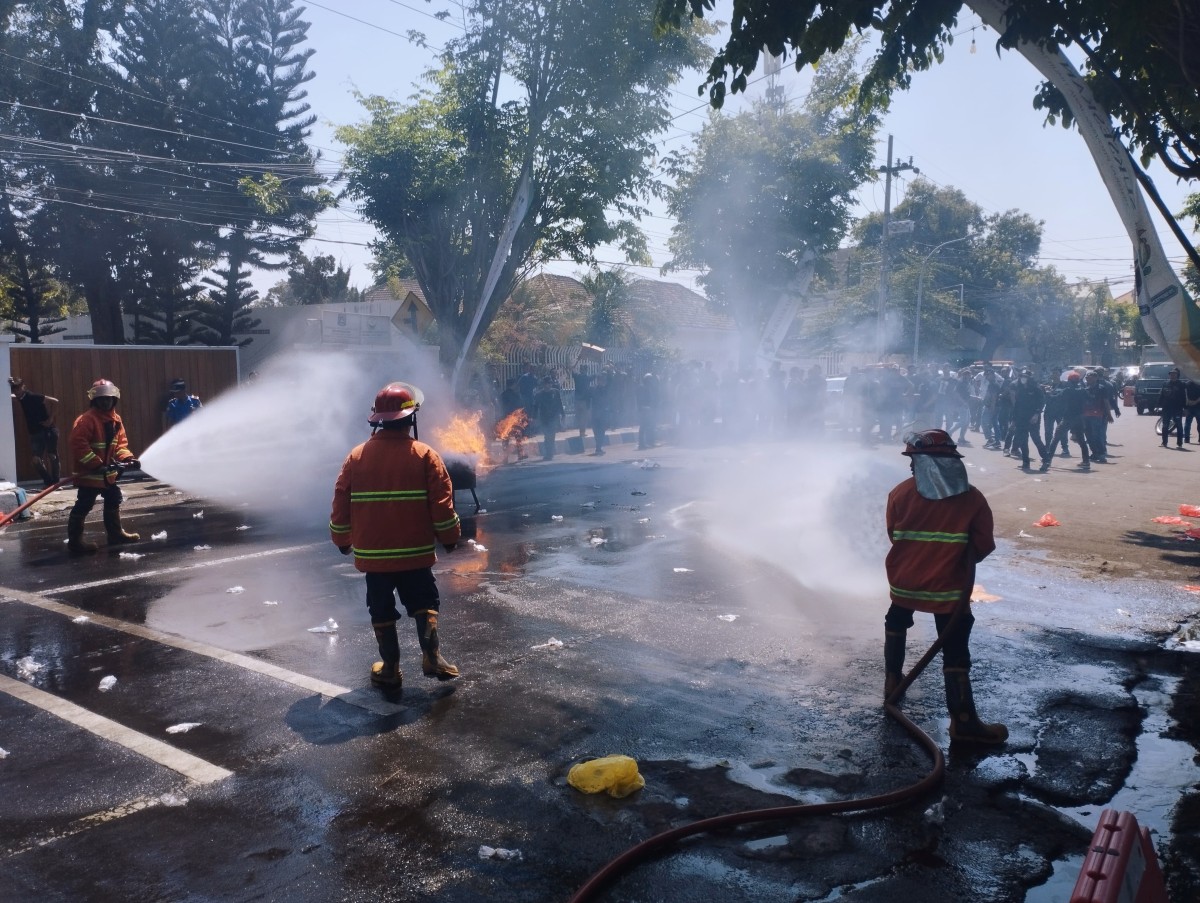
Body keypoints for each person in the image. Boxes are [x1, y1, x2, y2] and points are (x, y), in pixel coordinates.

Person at [329, 381, 462, 689]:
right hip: (415, 553)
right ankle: (432, 656)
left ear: (376, 419)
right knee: (424, 602)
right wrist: (450, 536)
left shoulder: (356, 457)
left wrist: (341, 541)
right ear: (411, 419)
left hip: (374, 560)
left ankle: (389, 667)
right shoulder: (426, 455)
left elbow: (340, 503)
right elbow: (442, 505)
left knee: (381, 608)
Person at [883, 428, 1007, 745]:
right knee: (954, 648)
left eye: (914, 461)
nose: (911, 467)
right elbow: (983, 546)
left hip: (905, 583)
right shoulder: (972, 498)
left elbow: (894, 535)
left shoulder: (900, 493)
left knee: (896, 621)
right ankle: (963, 721)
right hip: (950, 589)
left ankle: (892, 685)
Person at [67, 379, 141, 554]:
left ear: (114, 399)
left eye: (108, 398)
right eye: (101, 399)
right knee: (84, 504)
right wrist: (95, 464)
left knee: (114, 498)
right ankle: (75, 542)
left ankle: (115, 535)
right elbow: (78, 444)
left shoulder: (116, 420)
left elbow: (120, 444)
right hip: (89, 475)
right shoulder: (87, 420)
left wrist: (128, 458)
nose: (105, 402)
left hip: (107, 474)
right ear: (94, 400)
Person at [9, 376, 60, 487]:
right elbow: (14, 396)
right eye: (14, 389)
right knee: (36, 460)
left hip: (48, 430)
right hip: (35, 433)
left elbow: (55, 401)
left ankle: (55, 483)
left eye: (18, 388)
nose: (16, 391)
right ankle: (49, 482)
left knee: (52, 456)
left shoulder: (33, 396)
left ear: (23, 387)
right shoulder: (20, 397)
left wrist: (50, 419)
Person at [532, 375, 564, 460]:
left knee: (552, 436)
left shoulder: (555, 392)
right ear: (544, 384)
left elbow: (559, 403)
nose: (548, 385)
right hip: (544, 418)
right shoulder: (539, 394)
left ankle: (550, 452)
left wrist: (562, 414)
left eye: (550, 383)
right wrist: (534, 418)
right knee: (547, 436)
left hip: (554, 418)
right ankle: (548, 453)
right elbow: (535, 407)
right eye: (546, 383)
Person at [1158, 367, 1187, 449]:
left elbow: (1184, 397)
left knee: (1179, 426)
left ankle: (1179, 443)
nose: (1172, 376)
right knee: (1165, 426)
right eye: (1171, 374)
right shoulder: (1165, 384)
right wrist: (1159, 406)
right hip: (1166, 408)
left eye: (1174, 374)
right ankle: (1164, 442)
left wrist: (1185, 408)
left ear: (1177, 375)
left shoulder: (1181, 385)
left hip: (1177, 409)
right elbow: (1162, 395)